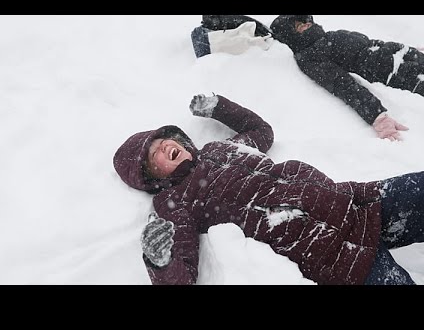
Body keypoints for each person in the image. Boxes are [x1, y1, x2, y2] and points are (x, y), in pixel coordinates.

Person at [113, 93, 423, 285]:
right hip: (335, 256)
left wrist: (220, 107)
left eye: (162, 140)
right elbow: (182, 277)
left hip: (355, 202)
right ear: (153, 179)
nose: (163, 146)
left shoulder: (220, 148)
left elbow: (261, 131)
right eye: (153, 155)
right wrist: (160, 261)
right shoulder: (173, 202)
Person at [269, 15, 424, 141]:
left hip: (402, 57)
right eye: (297, 27)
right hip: (393, 72)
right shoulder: (310, 57)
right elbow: (343, 85)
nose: (305, 25)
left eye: (303, 21)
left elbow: (373, 43)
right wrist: (377, 117)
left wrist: (408, 51)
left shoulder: (331, 35)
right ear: (291, 37)